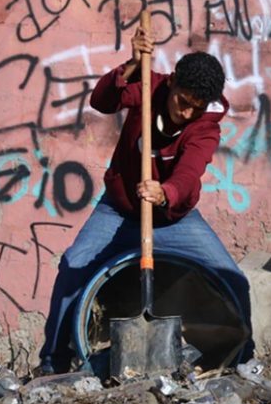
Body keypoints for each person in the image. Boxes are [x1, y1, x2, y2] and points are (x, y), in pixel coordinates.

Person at [37, 27, 253, 375]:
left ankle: (241, 362)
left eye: (195, 109)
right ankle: (52, 364)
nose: (185, 113)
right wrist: (131, 66)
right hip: (119, 210)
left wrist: (166, 193)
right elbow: (102, 101)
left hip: (173, 219)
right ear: (172, 86)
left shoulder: (206, 127)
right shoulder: (150, 89)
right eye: (182, 102)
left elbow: (188, 173)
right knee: (73, 265)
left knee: (234, 280)